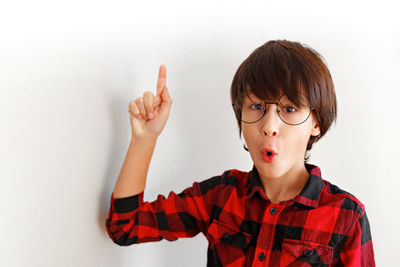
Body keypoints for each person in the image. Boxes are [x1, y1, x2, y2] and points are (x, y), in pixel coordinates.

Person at [105, 40, 375, 266]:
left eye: (290, 109)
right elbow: (125, 226)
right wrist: (145, 139)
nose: (269, 127)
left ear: (315, 123)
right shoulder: (222, 196)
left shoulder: (346, 217)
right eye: (257, 107)